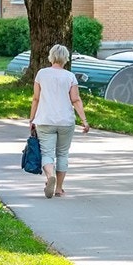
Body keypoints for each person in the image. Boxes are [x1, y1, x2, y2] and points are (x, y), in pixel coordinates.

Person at [29, 43, 89, 198]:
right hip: (65, 121)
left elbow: (36, 98)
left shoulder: (42, 74)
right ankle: (59, 189)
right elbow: (75, 99)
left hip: (45, 120)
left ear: (51, 56)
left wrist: (32, 118)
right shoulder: (70, 76)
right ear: (66, 59)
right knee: (62, 153)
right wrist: (84, 120)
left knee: (47, 153)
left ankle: (50, 177)